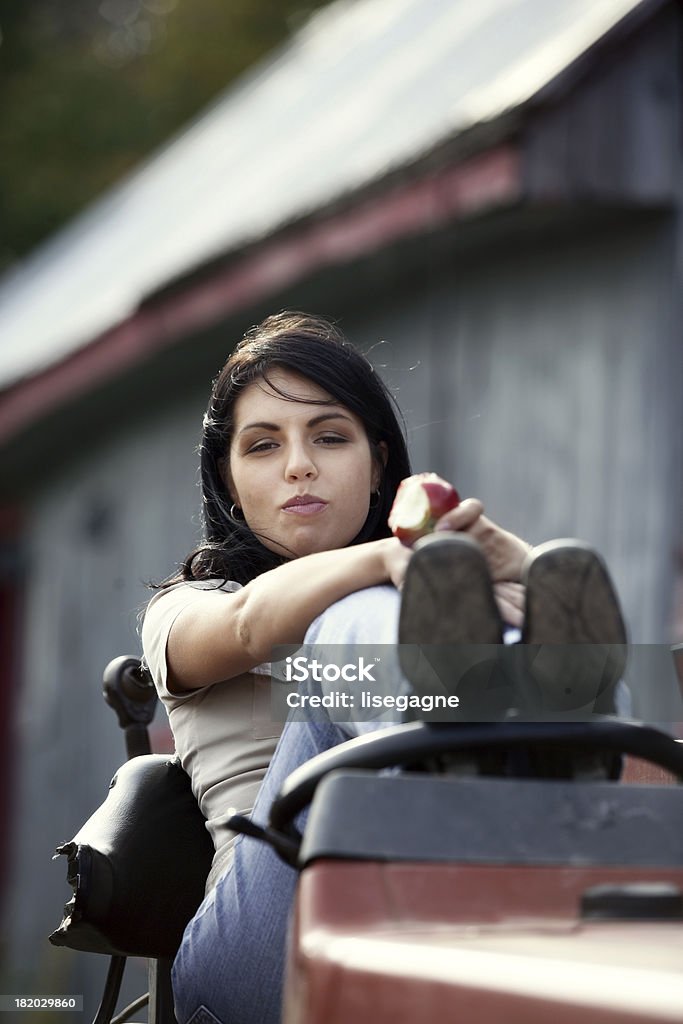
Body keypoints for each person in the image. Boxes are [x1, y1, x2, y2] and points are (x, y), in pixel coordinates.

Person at [141, 311, 626, 1024]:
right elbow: (250, 624)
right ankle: (458, 759)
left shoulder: (433, 603)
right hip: (256, 958)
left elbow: (573, 632)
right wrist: (381, 560)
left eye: (329, 438)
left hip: (439, 908)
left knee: (523, 648)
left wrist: (512, 559)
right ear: (229, 480)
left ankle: (513, 766)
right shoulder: (191, 605)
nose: (298, 464)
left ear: (377, 467)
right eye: (263, 445)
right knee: (349, 618)